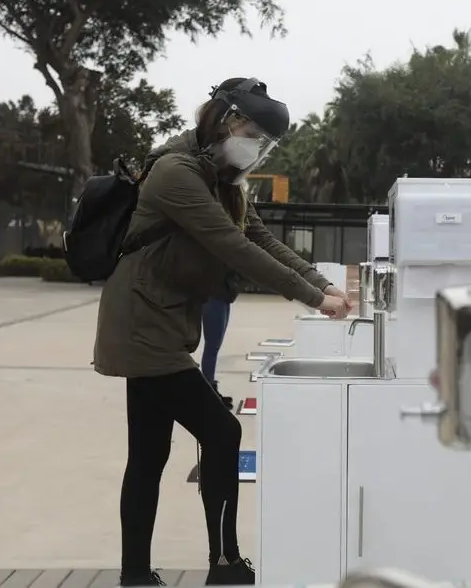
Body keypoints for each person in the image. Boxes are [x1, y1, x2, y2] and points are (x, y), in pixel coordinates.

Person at [93, 77, 353, 587]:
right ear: (228, 120)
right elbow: (232, 248)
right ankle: (225, 564)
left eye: (265, 141)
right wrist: (314, 300)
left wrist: (323, 284)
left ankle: (136, 576)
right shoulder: (176, 172)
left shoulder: (222, 174)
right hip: (142, 324)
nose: (257, 146)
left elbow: (257, 236)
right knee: (222, 431)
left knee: (149, 454)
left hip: (160, 319)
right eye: (254, 133)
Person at [201, 297, 233, 409]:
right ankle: (208, 395)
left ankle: (209, 392)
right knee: (212, 347)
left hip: (223, 296)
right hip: (214, 296)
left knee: (214, 347)